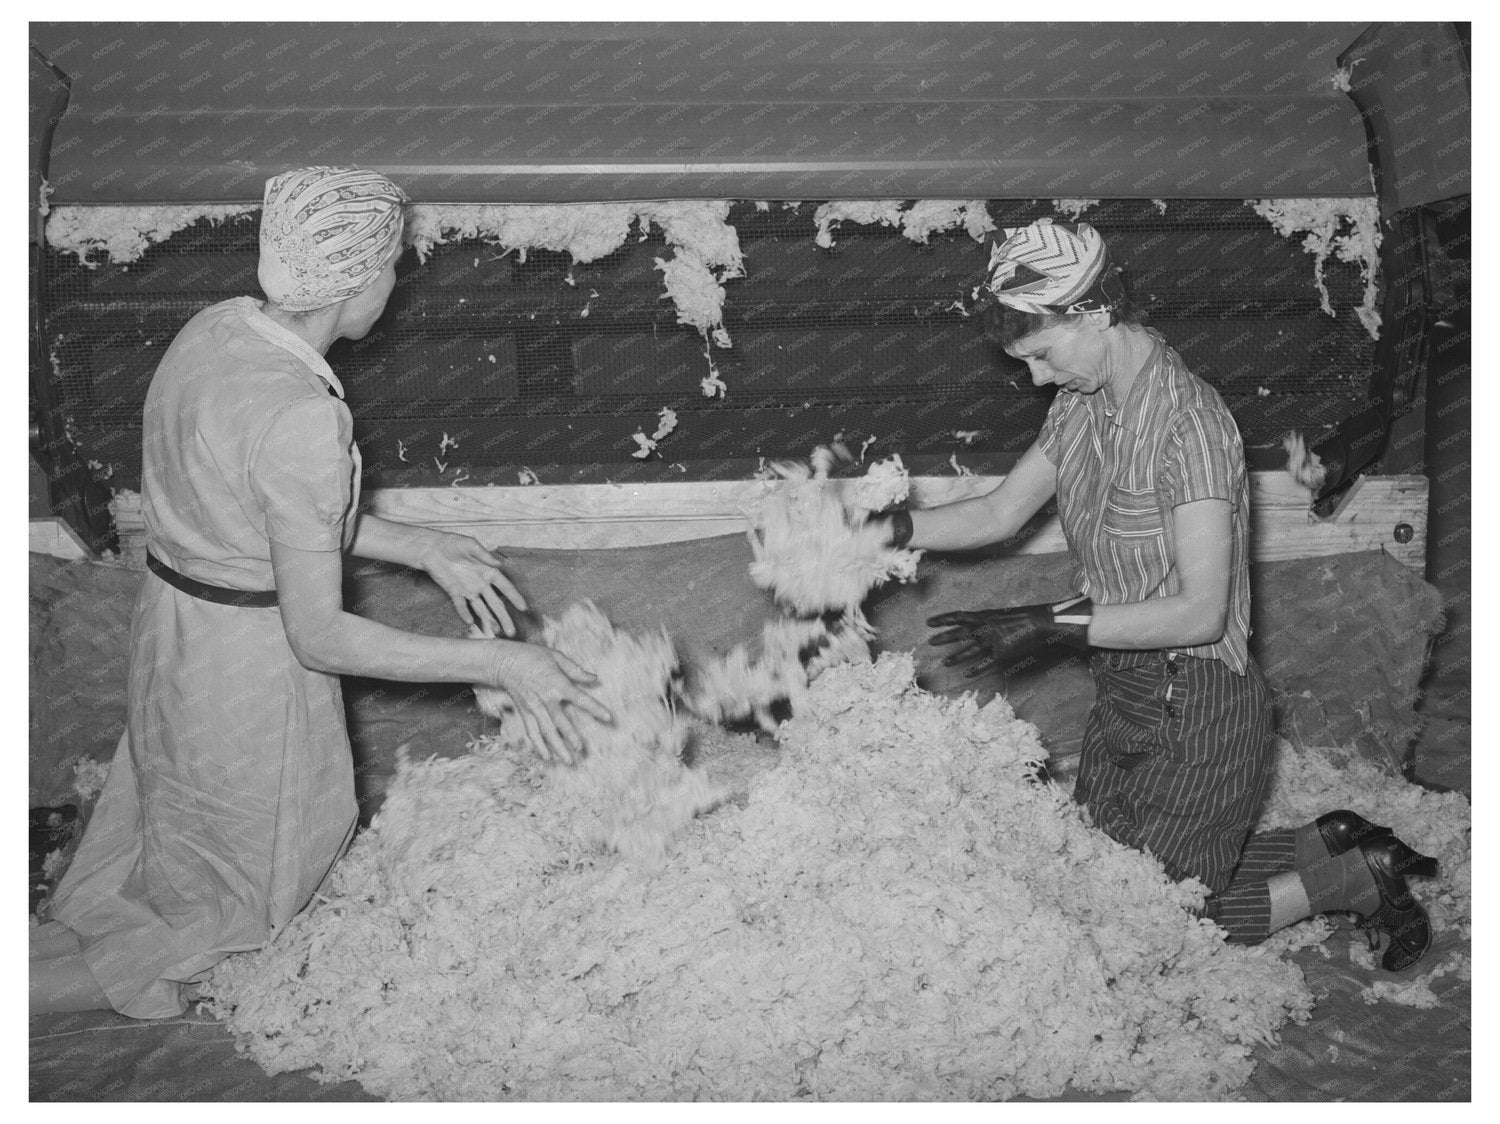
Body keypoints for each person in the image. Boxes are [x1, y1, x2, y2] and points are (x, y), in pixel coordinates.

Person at [30, 166, 612, 1018]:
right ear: (359, 278)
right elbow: (321, 637)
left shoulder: (219, 332)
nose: (399, 280)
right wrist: (504, 661)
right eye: (396, 265)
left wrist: (418, 545)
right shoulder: (304, 416)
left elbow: (255, 507)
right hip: (246, 664)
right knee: (233, 902)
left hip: (177, 622)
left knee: (175, 845)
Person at [883, 218, 1436, 970]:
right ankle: (1321, 838)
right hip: (1127, 684)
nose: (1036, 377)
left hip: (1200, 704)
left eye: (1040, 355)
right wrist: (882, 530)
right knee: (1096, 875)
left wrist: (1049, 623)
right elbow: (998, 512)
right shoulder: (1084, 402)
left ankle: (1347, 877)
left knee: (1145, 929)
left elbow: (1201, 612)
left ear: (1094, 314)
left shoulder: (1193, 428)